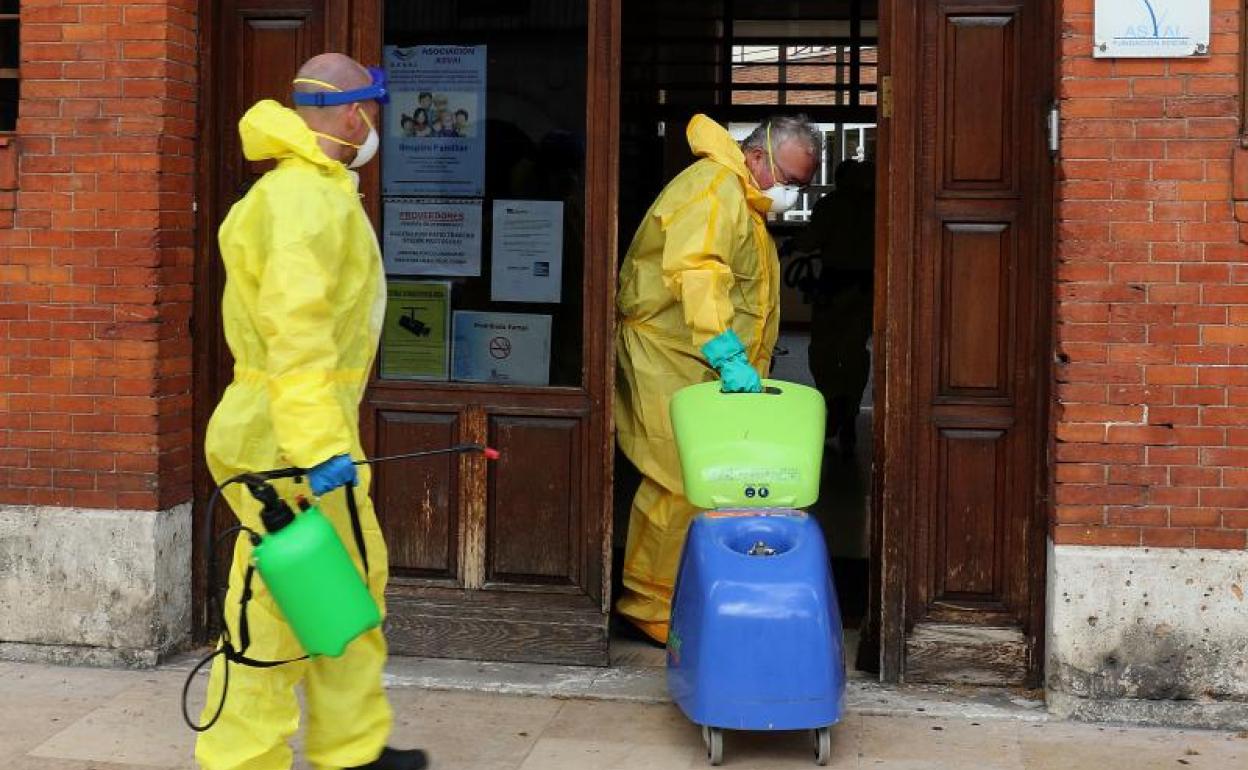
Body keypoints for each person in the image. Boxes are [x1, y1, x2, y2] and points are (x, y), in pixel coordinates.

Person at [196, 53, 427, 770]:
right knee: (275, 608)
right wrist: (319, 447)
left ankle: (352, 749)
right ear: (356, 113)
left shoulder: (299, 192)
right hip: (288, 442)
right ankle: (243, 759)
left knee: (344, 590)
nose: (375, 127)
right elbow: (295, 334)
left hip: (291, 430)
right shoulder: (305, 202)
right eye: (375, 114)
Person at [614, 114, 820, 643]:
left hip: (694, 362)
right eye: (790, 181)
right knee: (679, 480)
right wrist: (727, 353)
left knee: (704, 483)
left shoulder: (738, 196)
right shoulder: (714, 188)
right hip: (670, 355)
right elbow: (698, 271)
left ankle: (676, 593)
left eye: (800, 186)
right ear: (758, 157)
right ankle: (648, 604)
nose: (791, 194)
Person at [796, 158, 875, 456]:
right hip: (866, 288)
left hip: (833, 287)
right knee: (855, 350)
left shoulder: (831, 205)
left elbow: (809, 241)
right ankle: (850, 409)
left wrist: (793, 243)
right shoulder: (879, 207)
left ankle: (833, 402)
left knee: (823, 349)